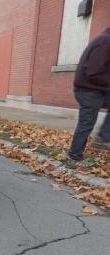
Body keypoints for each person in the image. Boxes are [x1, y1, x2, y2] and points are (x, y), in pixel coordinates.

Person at [67, 27, 110, 168]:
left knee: (86, 123)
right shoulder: (106, 41)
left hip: (94, 89)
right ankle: (73, 158)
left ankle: (103, 137)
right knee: (86, 124)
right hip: (89, 90)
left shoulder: (104, 39)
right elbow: (94, 71)